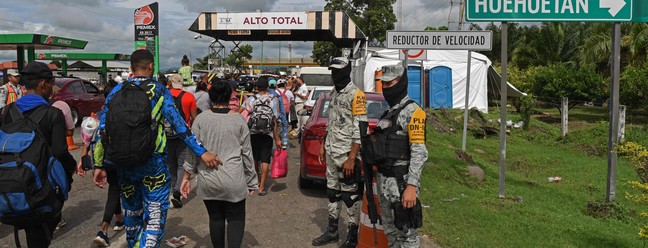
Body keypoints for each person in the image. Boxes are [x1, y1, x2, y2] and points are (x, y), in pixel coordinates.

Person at [92, 50, 221, 248]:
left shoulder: (116, 92)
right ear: (151, 66)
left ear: (131, 69)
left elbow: (103, 130)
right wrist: (202, 152)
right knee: (154, 220)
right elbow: (180, 126)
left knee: (133, 219)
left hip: (124, 166)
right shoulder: (159, 90)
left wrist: (100, 164)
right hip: (154, 166)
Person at [0, 62, 76, 247]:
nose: (52, 89)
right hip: (41, 190)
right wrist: (71, 170)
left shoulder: (6, 112)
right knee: (39, 239)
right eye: (51, 84)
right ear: (43, 84)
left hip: (10, 187)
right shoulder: (53, 114)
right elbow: (59, 151)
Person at [180, 79, 258, 248]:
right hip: (234, 179)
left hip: (209, 179)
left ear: (211, 96)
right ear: (229, 96)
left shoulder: (200, 119)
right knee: (236, 218)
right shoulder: (238, 120)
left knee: (215, 218)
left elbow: (193, 150)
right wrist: (252, 181)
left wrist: (186, 176)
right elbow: (247, 154)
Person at [312, 58, 367, 247]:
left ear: (347, 71)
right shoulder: (333, 93)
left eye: (338, 71)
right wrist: (322, 144)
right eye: (332, 71)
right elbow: (331, 122)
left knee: (349, 196)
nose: (334, 75)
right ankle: (332, 231)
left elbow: (360, 129)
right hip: (331, 151)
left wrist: (352, 157)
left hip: (346, 156)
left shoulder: (356, 95)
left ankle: (352, 236)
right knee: (332, 193)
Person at [373, 63, 428, 247]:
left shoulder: (414, 112)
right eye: (384, 85)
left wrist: (411, 186)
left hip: (401, 183)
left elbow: (419, 151)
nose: (386, 88)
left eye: (390, 84)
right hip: (385, 183)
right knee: (391, 232)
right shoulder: (389, 113)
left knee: (407, 235)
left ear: (402, 83)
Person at [76, 85, 125, 247]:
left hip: (102, 159)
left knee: (114, 188)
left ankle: (118, 220)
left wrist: (84, 158)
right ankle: (104, 229)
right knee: (116, 188)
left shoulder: (98, 114)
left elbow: (88, 138)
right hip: (117, 157)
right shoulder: (123, 113)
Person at [245, 77, 281, 196]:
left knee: (255, 158)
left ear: (256, 87)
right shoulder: (273, 100)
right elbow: (274, 120)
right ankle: (261, 188)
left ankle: (256, 181)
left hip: (254, 132)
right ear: (267, 87)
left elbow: (246, 113)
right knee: (265, 160)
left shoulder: (251, 99)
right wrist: (277, 139)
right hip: (267, 134)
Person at [167, 74, 199, 208]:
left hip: (166, 135)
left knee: (171, 165)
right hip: (182, 135)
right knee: (182, 165)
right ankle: (176, 192)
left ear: (170, 83)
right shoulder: (189, 97)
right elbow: (194, 118)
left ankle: (173, 189)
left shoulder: (165, 95)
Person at [50, 85, 80, 151]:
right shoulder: (61, 105)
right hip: (56, 149)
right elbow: (70, 131)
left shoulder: (24, 105)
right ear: (53, 93)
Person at [268, 77, 289, 149]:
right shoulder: (278, 97)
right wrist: (285, 123)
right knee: (277, 139)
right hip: (277, 120)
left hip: (266, 121)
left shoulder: (265, 96)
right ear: (276, 87)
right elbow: (282, 111)